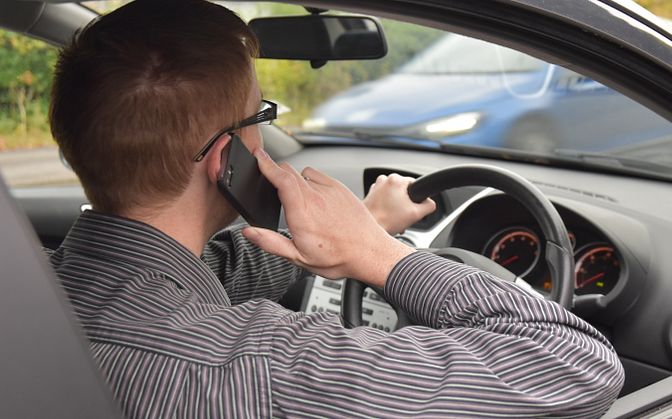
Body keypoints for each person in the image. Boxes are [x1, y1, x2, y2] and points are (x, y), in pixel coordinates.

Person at [48, 0, 624, 417]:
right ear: (228, 160)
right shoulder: (256, 366)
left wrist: (366, 223)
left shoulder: (42, 283)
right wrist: (383, 258)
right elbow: (575, 366)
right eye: (261, 118)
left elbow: (228, 267)